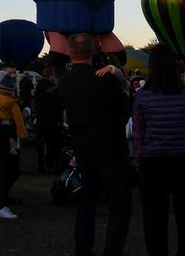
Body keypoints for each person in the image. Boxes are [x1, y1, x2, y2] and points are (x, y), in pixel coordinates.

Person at [54, 33, 133, 256]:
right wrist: (118, 75)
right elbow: (125, 110)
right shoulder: (106, 79)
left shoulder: (64, 82)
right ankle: (112, 251)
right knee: (119, 206)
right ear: (94, 50)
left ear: (70, 52)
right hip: (112, 151)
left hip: (84, 153)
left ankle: (83, 250)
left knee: (86, 203)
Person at [132, 45, 185, 256]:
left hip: (152, 163)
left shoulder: (142, 97)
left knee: (154, 220)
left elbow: (138, 134)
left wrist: (138, 162)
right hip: (184, 161)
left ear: (151, 67)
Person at [0, 72, 27, 219]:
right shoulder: (8, 103)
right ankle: (0, 204)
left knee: (6, 172)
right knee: (5, 173)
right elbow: (5, 123)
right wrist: (10, 134)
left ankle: (1, 199)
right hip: (3, 143)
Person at [34, 65, 63, 173]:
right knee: (52, 144)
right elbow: (58, 104)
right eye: (54, 75)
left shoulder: (38, 88)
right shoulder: (53, 89)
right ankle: (51, 165)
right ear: (51, 75)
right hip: (51, 120)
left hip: (40, 119)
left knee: (41, 144)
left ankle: (41, 166)